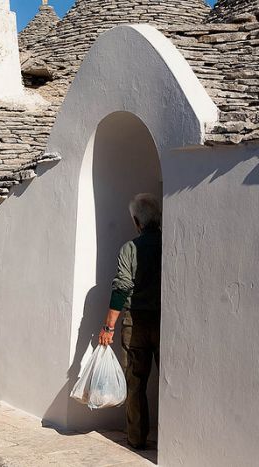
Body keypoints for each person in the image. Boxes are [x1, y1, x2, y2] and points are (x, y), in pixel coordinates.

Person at [98, 193, 162, 450]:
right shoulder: (171, 243)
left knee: (135, 383)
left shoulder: (130, 248)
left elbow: (121, 288)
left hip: (134, 323)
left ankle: (136, 437)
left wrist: (108, 327)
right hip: (164, 322)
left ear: (137, 221)